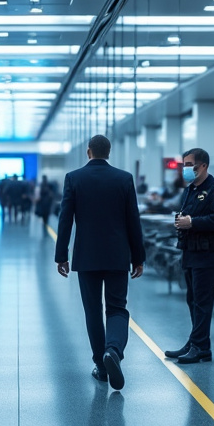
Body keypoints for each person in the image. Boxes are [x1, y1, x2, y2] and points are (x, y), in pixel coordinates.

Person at [55, 135, 145, 391]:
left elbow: (65, 219)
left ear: (88, 152)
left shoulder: (74, 178)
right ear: (109, 152)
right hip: (118, 256)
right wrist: (138, 257)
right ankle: (113, 350)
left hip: (87, 256)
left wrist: (61, 254)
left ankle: (101, 365)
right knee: (117, 308)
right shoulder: (124, 178)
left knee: (93, 310)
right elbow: (133, 221)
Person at [166, 148, 214, 364]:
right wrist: (181, 220)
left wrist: (192, 222)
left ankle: (198, 345)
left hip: (209, 254)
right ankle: (199, 344)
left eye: (188, 164)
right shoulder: (190, 191)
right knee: (192, 299)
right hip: (191, 252)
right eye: (184, 164)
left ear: (202, 165)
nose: (185, 169)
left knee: (203, 302)